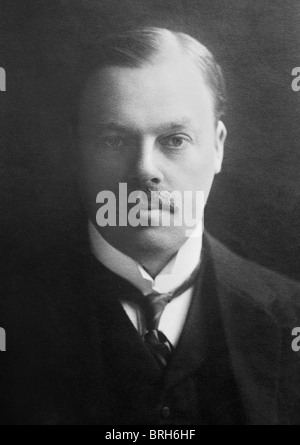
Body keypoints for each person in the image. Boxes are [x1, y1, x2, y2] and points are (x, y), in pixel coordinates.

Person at [1, 27, 300, 425]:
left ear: (218, 147)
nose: (145, 171)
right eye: (114, 140)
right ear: (78, 152)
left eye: (175, 140)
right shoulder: (12, 313)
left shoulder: (290, 316)